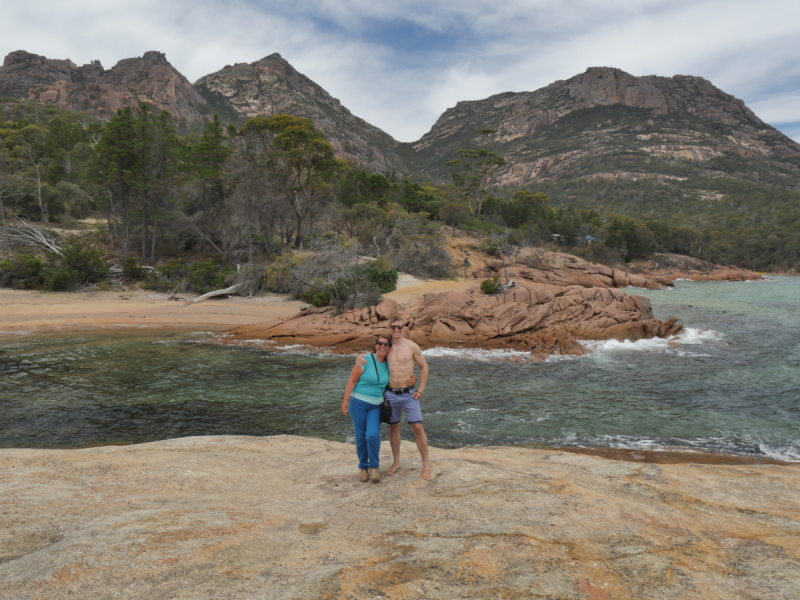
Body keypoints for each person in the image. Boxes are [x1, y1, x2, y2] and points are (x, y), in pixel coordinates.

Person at [359, 314, 431, 481]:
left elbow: (424, 366)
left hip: (409, 394)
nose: (396, 330)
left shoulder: (412, 346)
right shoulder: (386, 347)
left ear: (404, 328)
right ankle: (396, 462)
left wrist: (420, 388)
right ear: (390, 328)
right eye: (394, 327)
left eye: (400, 327)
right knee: (394, 427)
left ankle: (426, 465)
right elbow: (373, 358)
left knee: (418, 428)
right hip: (390, 394)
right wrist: (359, 357)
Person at [341, 334, 397, 483]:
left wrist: (414, 380)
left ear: (389, 347)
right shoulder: (364, 360)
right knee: (360, 437)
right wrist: (345, 400)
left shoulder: (389, 363)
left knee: (372, 435)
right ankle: (363, 467)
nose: (383, 346)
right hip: (358, 402)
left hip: (376, 405)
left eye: (386, 344)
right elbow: (352, 380)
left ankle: (374, 466)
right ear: (376, 345)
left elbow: (402, 372)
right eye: (380, 343)